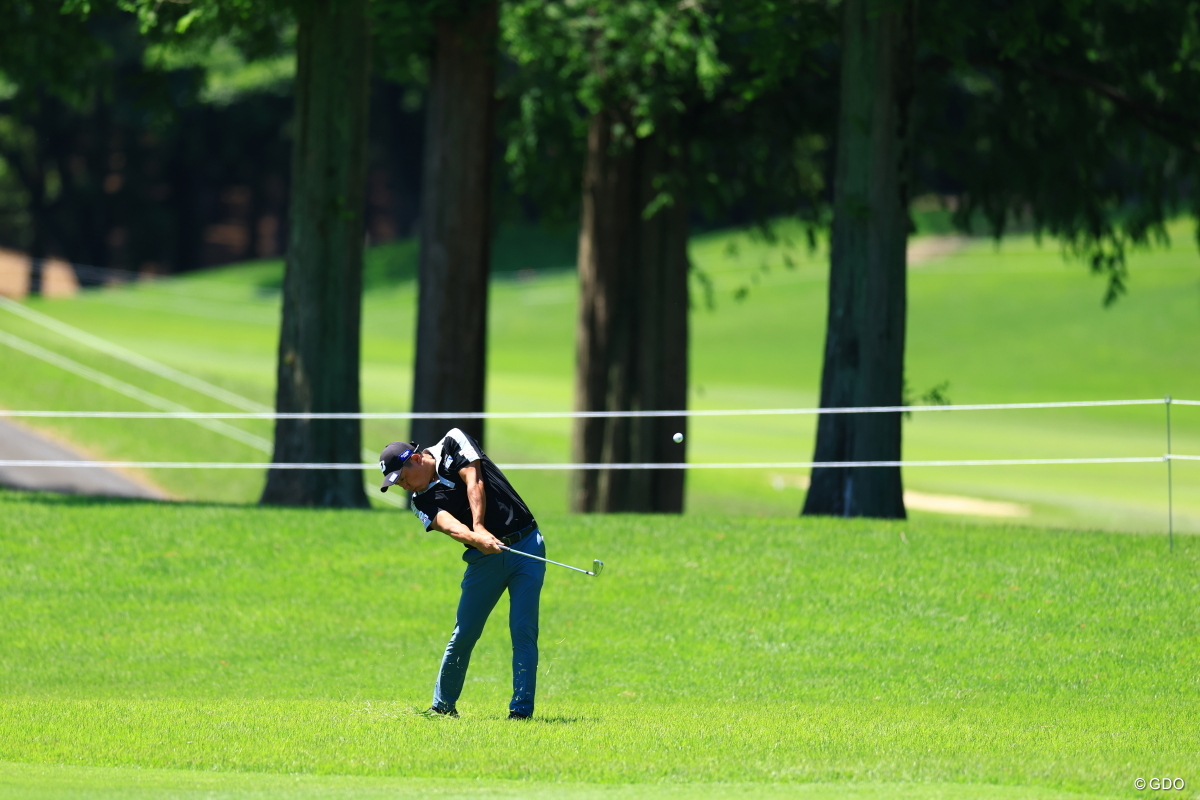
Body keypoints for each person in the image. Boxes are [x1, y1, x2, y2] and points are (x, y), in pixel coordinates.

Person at [379, 429, 545, 719]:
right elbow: (449, 525)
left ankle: (521, 712)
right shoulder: (420, 501)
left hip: (526, 546)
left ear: (417, 459)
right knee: (465, 632)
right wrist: (476, 537)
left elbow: (474, 479)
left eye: (403, 478)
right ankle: (442, 707)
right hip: (483, 560)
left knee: (523, 630)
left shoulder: (453, 442)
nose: (404, 487)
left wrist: (479, 527)